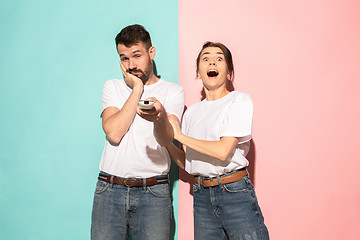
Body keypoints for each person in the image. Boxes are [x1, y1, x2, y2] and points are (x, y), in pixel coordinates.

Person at [166, 42, 269, 240]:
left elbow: (223, 151)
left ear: (229, 72)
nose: (212, 61)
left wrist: (179, 136)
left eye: (219, 58)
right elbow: (188, 163)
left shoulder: (239, 101)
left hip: (234, 192)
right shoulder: (192, 113)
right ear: (198, 71)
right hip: (201, 195)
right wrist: (167, 140)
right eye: (205, 58)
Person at [91, 24, 184, 240]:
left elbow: (168, 138)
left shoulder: (173, 92)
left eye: (137, 55)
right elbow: (114, 133)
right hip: (109, 189)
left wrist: (159, 118)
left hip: (153, 192)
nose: (131, 64)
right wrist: (137, 89)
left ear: (151, 52)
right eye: (124, 58)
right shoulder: (112, 87)